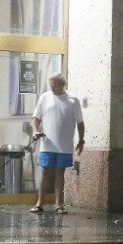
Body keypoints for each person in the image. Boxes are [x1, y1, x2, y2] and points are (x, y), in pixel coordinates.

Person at [29, 73, 84, 214]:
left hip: (64, 145)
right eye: (50, 85)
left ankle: (58, 204)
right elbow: (36, 118)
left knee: (60, 174)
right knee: (45, 173)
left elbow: (80, 122)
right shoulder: (45, 97)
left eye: (53, 85)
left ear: (62, 85)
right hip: (47, 144)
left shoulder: (73, 100)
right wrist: (35, 131)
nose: (51, 88)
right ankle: (39, 203)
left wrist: (81, 140)